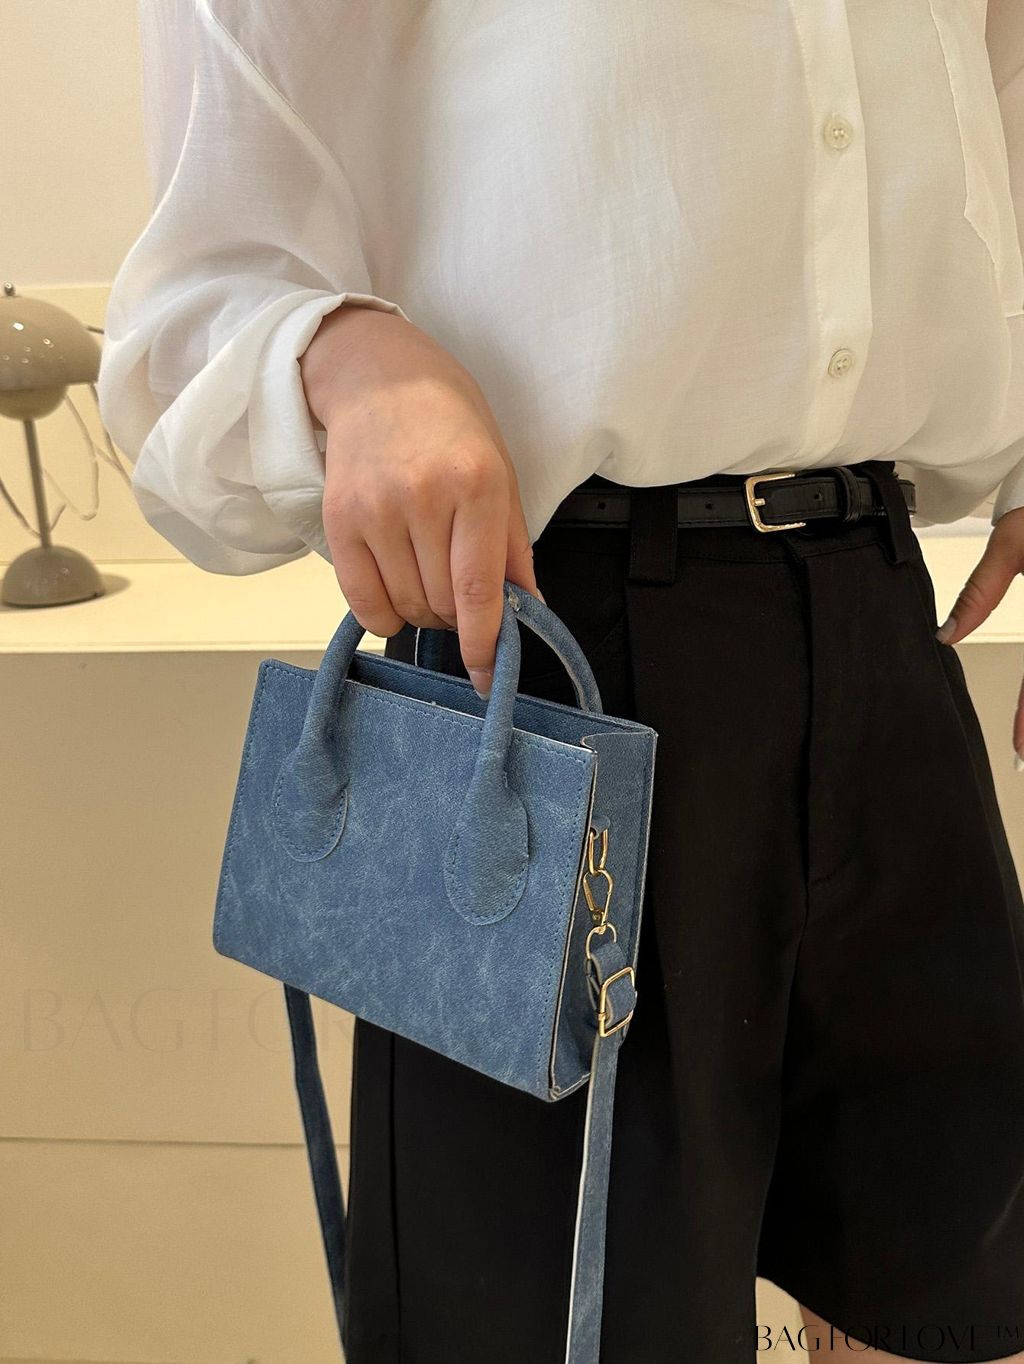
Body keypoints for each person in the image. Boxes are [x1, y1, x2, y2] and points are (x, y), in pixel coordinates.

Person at [97, 2, 1024, 1360]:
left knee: (949, 1300)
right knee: (550, 1329)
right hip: (541, 670)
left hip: (886, 617)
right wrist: (349, 356)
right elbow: (192, 304)